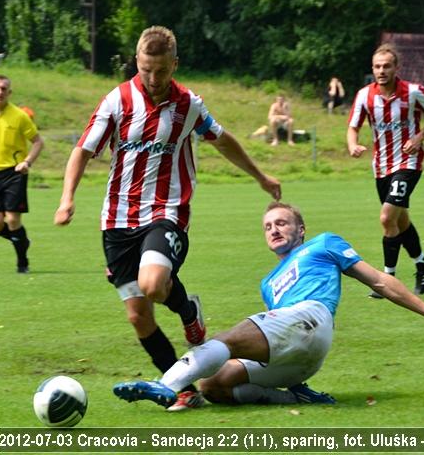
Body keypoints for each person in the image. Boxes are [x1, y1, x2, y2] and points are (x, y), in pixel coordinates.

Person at [54, 26, 281, 411]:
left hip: (166, 212)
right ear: (137, 63)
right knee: (138, 316)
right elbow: (82, 150)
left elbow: (223, 140)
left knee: (154, 283)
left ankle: (188, 311)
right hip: (116, 221)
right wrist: (67, 198)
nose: (154, 79)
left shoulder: (189, 104)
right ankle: (182, 388)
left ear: (174, 64)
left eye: (161, 70)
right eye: (145, 70)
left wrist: (260, 176)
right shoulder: (117, 100)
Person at [113, 202, 424, 408]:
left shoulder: (323, 244)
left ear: (301, 229)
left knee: (227, 337)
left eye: (282, 223)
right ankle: (295, 399)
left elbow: (377, 278)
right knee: (214, 386)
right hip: (298, 361)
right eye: (268, 226)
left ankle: (167, 385)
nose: (274, 229)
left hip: (311, 319)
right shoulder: (268, 283)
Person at [347, 44, 424, 298]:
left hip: (408, 164)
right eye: (377, 66)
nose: (382, 70)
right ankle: (423, 265)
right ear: (372, 69)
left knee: (387, 218)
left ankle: (387, 278)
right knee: (400, 221)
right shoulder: (364, 96)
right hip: (381, 167)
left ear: (396, 68)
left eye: (387, 66)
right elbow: (352, 127)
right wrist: (352, 144)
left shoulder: (413, 92)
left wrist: (420, 136)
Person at [0, 75, 43, 273]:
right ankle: (21, 240)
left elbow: (38, 142)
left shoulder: (20, 116)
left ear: (9, 92)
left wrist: (27, 162)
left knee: (13, 220)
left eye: (4, 89)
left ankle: (22, 262)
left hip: (14, 173)